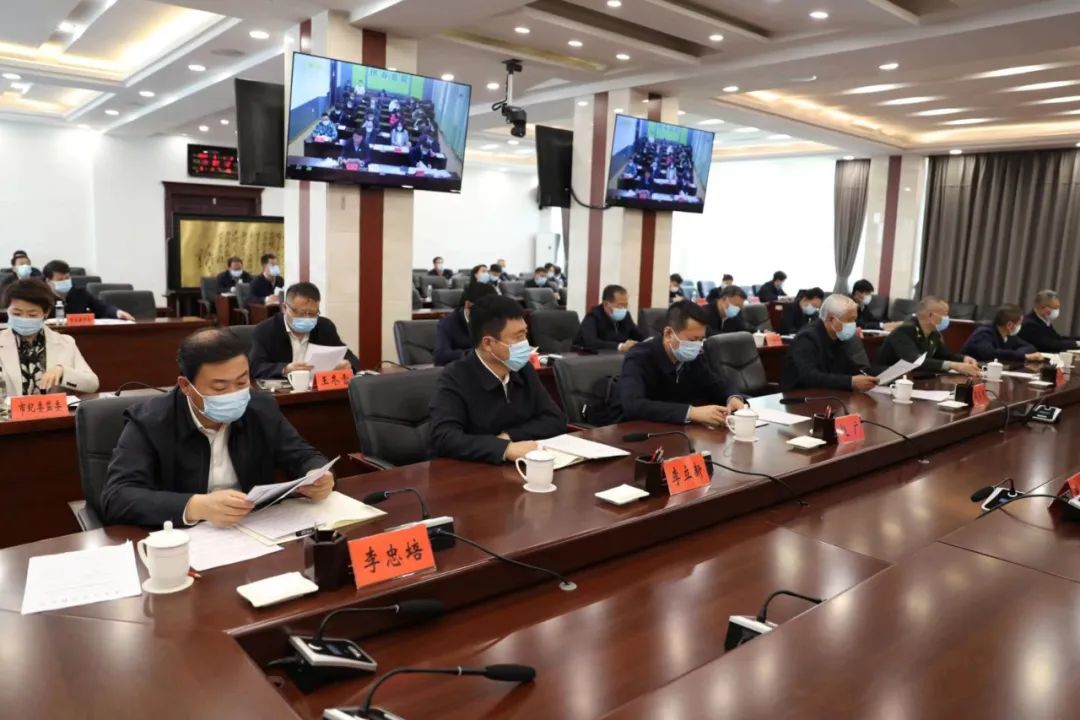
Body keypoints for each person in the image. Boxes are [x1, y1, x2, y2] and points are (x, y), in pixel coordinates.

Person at [100, 328, 333, 527]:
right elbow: (117, 497)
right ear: (186, 386)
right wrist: (195, 506)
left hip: (254, 528)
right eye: (220, 388)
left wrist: (317, 475)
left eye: (241, 381)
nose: (234, 394)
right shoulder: (150, 421)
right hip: (183, 539)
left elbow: (302, 455)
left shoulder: (260, 407)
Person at [428, 295, 567, 464]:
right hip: (469, 472)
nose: (525, 344)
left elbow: (555, 419)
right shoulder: (454, 376)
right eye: (518, 337)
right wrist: (504, 449)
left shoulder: (523, 369)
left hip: (514, 467)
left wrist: (509, 437)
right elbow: (444, 438)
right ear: (488, 343)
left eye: (525, 334)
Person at [619, 301, 745, 425]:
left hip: (679, 429)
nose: (698, 346)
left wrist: (733, 397)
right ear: (669, 334)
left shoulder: (694, 357)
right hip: (641, 429)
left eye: (701, 339)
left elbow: (716, 384)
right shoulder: (639, 357)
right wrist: (691, 413)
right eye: (693, 340)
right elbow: (633, 405)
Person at [0, 279, 99, 395]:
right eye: (16, 314)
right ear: (7, 310)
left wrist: (63, 373)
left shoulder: (65, 342)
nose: (24, 319)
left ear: (45, 313)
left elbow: (92, 384)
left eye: (32, 315)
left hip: (52, 406)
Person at [249, 282, 360, 379]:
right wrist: (285, 369)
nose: (307, 318)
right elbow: (256, 367)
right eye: (301, 313)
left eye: (312, 313)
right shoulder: (265, 330)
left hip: (316, 390)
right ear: (285, 308)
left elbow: (350, 358)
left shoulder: (325, 327)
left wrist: (348, 365)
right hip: (281, 392)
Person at [780, 294, 878, 392]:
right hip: (798, 395)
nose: (853, 324)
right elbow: (809, 376)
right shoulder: (807, 338)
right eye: (849, 320)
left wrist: (867, 377)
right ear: (832, 320)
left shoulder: (837, 337)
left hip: (826, 394)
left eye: (854, 320)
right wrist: (850, 382)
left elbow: (848, 367)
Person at [874, 296, 980, 377]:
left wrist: (963, 359)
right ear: (930, 315)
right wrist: (953, 365)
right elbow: (915, 361)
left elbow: (944, 355)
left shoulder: (934, 333)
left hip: (916, 377)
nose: (947, 318)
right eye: (944, 314)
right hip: (889, 379)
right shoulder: (904, 330)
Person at [42, 260, 135, 321]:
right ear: (48, 281)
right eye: (60, 280)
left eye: (67, 278)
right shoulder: (41, 297)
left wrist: (117, 312)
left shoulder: (80, 292)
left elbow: (102, 308)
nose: (65, 281)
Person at [434, 281, 497, 366]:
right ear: (468, 305)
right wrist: (478, 353)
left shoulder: (495, 319)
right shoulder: (448, 323)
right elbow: (440, 356)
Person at [575, 284, 646, 352]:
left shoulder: (626, 316)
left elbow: (639, 336)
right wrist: (620, 346)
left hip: (617, 357)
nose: (623, 309)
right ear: (606, 304)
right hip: (587, 357)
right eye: (620, 305)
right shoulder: (593, 316)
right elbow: (591, 342)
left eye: (626, 305)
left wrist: (648, 341)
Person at [961, 304, 1041, 364]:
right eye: (1019, 323)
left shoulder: (1009, 336)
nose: (1020, 326)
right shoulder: (984, 333)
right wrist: (1024, 356)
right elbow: (990, 354)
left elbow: (1030, 347)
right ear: (1009, 325)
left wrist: (1017, 354)